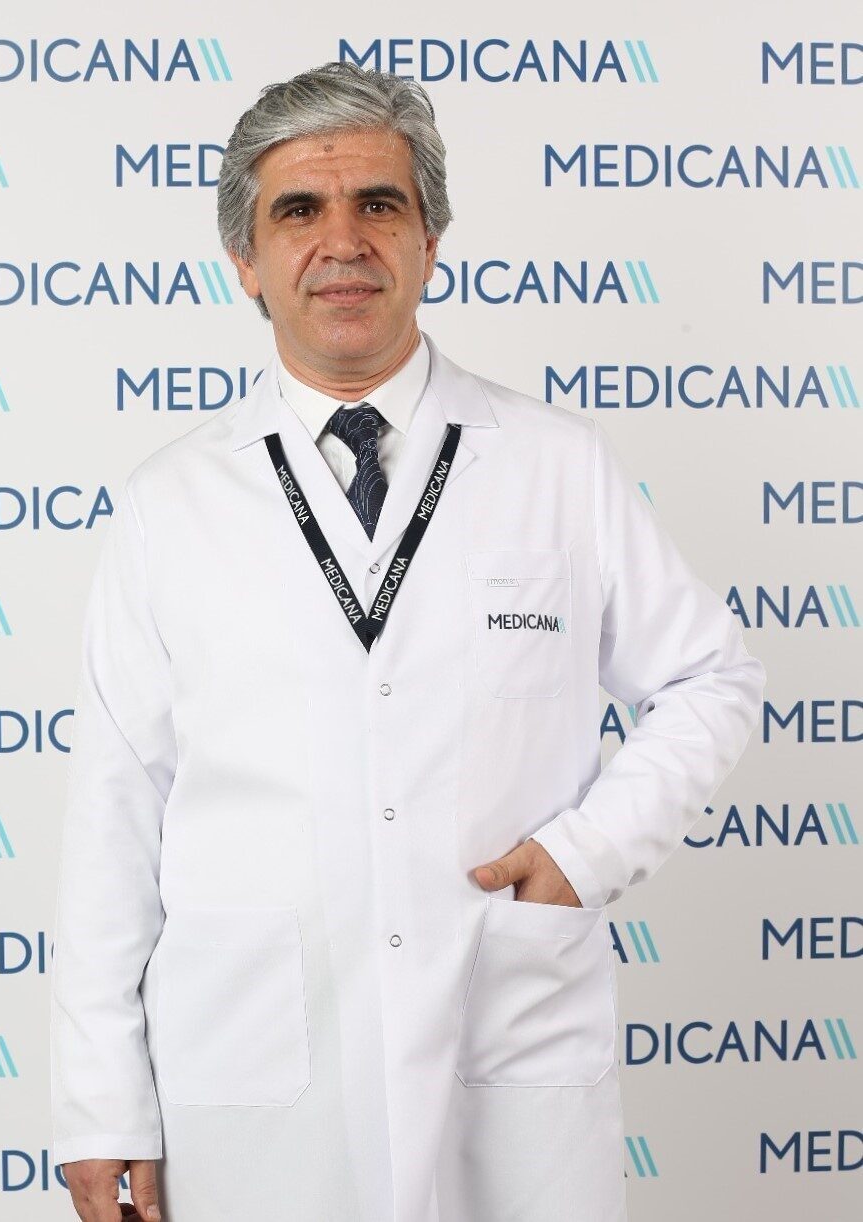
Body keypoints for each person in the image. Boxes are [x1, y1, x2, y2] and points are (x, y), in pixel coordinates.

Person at [50, 60, 766, 1222]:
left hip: (505, 1036)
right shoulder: (170, 504)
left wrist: (585, 850)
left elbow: (711, 679)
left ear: (429, 240)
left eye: (377, 203)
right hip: (250, 1068)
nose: (342, 241)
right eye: (298, 210)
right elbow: (114, 813)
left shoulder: (553, 466)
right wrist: (98, 1104)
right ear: (244, 260)